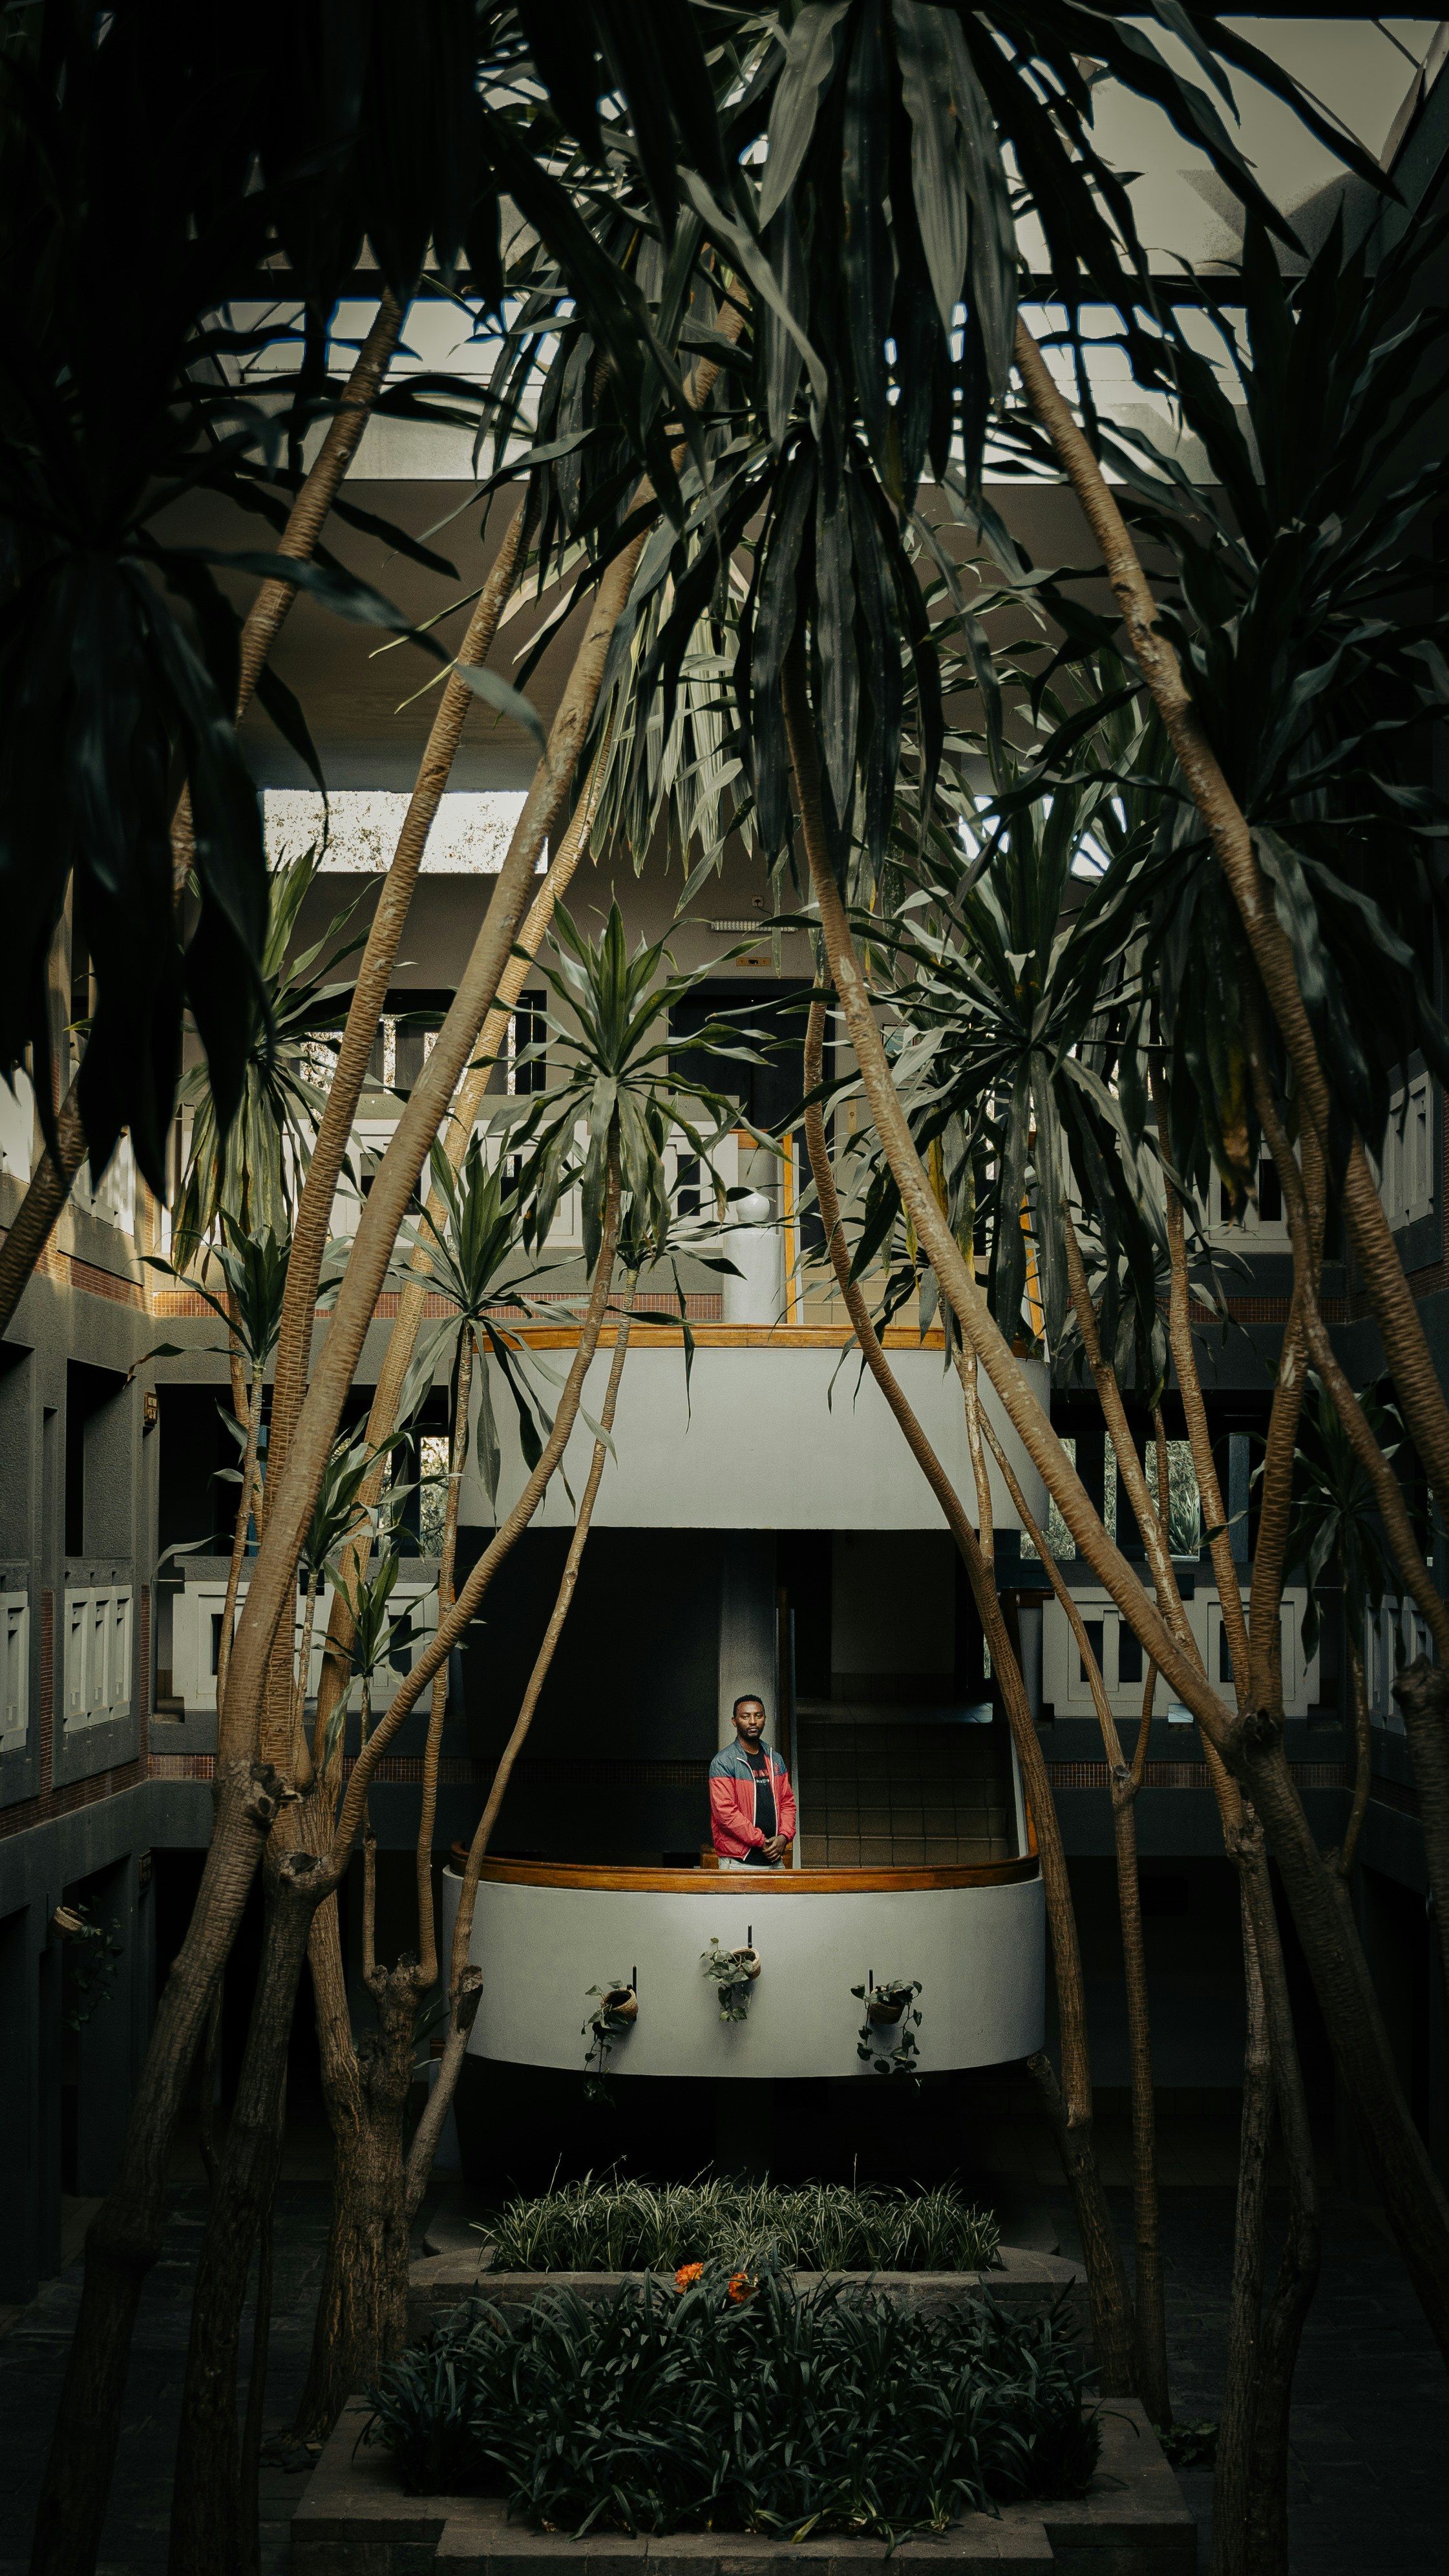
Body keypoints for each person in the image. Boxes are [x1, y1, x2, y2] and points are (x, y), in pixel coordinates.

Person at [708, 1693, 797, 1868]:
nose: (753, 1722)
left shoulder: (775, 1759)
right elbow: (725, 1814)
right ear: (734, 1721)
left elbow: (787, 1803)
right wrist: (761, 1841)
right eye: (745, 1717)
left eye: (758, 1716)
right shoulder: (724, 1762)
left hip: (775, 1860)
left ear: (765, 1719)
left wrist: (784, 1837)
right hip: (738, 1862)